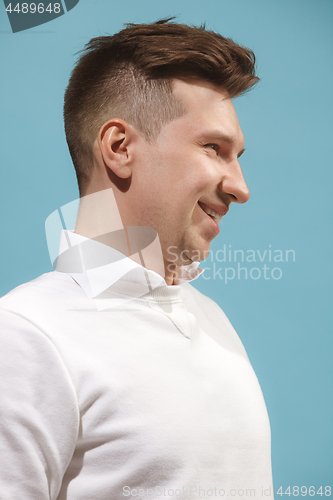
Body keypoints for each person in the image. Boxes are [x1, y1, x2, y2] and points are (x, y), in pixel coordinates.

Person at [0, 19, 274, 499]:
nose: (240, 187)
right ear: (120, 148)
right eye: (214, 149)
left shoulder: (212, 320)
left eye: (238, 156)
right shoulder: (25, 335)